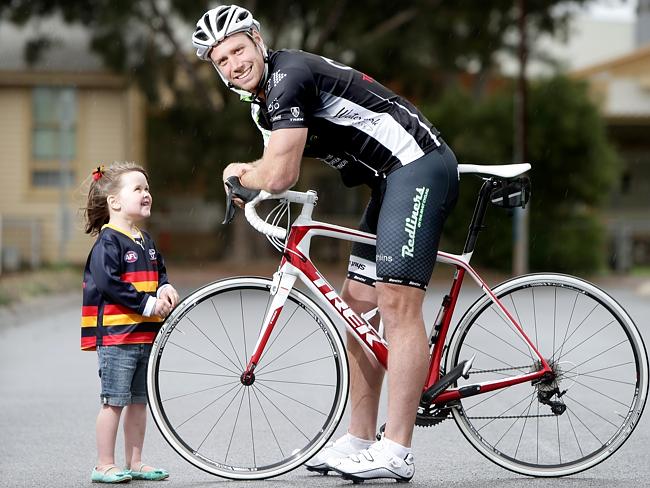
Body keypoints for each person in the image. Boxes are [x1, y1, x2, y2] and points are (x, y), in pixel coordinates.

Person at [192, 5, 459, 483]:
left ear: (257, 39)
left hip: (417, 166)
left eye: (237, 50)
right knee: (359, 310)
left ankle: (396, 449)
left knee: (396, 306)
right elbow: (278, 163)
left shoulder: (287, 78)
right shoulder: (263, 101)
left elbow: (278, 173)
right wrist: (260, 175)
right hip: (389, 181)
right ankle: (358, 441)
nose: (233, 64)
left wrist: (237, 172)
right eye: (221, 60)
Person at [81, 162, 179, 483]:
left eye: (147, 188)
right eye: (137, 189)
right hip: (118, 337)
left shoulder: (145, 240)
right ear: (115, 202)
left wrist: (164, 287)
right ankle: (104, 463)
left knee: (139, 402)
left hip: (145, 337)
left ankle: (135, 461)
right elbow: (109, 283)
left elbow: (159, 272)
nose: (146, 194)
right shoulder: (108, 242)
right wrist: (147, 303)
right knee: (114, 402)